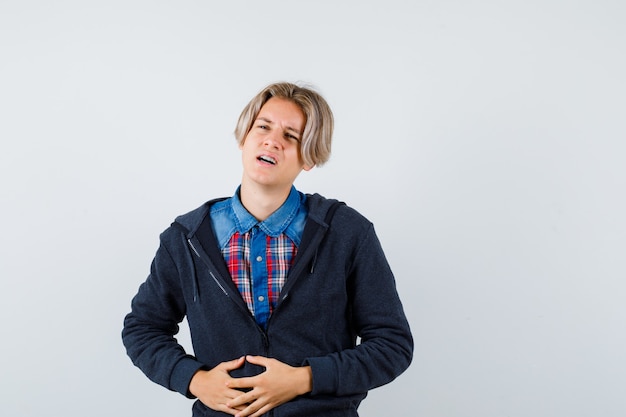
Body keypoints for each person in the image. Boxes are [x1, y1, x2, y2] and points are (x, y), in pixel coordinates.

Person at [122, 81, 413, 417]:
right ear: (244, 137)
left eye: (291, 136)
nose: (273, 140)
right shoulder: (185, 238)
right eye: (263, 126)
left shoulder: (348, 232)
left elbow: (393, 346)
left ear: (309, 157)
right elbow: (142, 328)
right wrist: (195, 380)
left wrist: (305, 379)